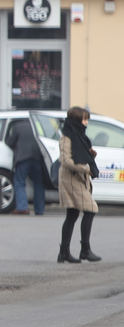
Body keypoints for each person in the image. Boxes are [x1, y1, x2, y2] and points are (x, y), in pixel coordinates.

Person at [57, 106, 101, 264]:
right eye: (84, 119)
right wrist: (86, 168)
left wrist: (90, 156)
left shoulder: (80, 136)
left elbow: (79, 154)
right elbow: (66, 159)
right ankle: (85, 250)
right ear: (76, 121)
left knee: (72, 215)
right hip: (70, 179)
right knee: (91, 209)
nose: (86, 123)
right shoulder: (66, 137)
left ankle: (64, 253)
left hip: (78, 178)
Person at [6, 120, 45, 215]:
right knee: (38, 184)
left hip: (23, 158)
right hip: (37, 158)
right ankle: (40, 210)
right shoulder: (39, 126)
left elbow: (10, 142)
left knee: (19, 182)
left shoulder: (18, 127)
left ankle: (22, 208)